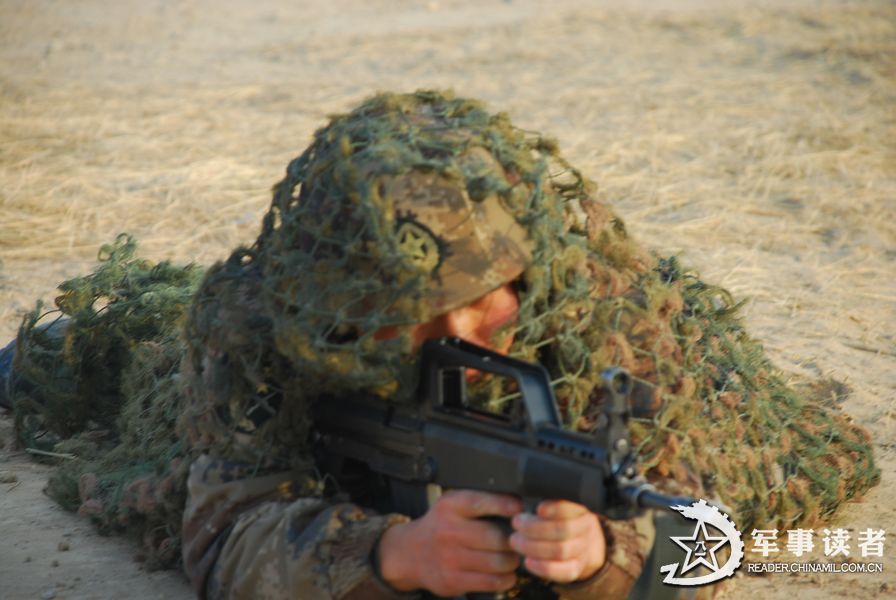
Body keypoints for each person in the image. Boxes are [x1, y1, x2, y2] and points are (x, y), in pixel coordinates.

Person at [177, 91, 659, 599]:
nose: (456, 333)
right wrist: (394, 555)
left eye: (481, 297)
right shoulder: (266, 338)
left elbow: (706, 535)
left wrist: (601, 557)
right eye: (411, 313)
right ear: (343, 305)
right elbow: (222, 538)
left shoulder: (597, 323)